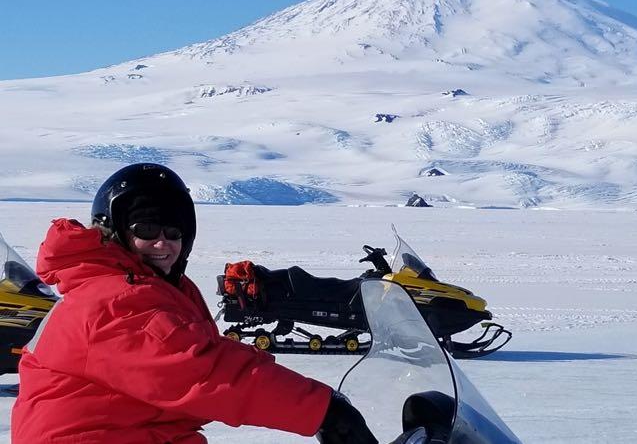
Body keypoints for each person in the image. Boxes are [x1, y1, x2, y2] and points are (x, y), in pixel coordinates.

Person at [11, 163, 377, 444]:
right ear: (115, 231)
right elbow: (206, 373)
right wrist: (324, 410)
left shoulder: (134, 288)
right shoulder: (114, 301)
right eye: (147, 229)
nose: (163, 243)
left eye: (174, 233)